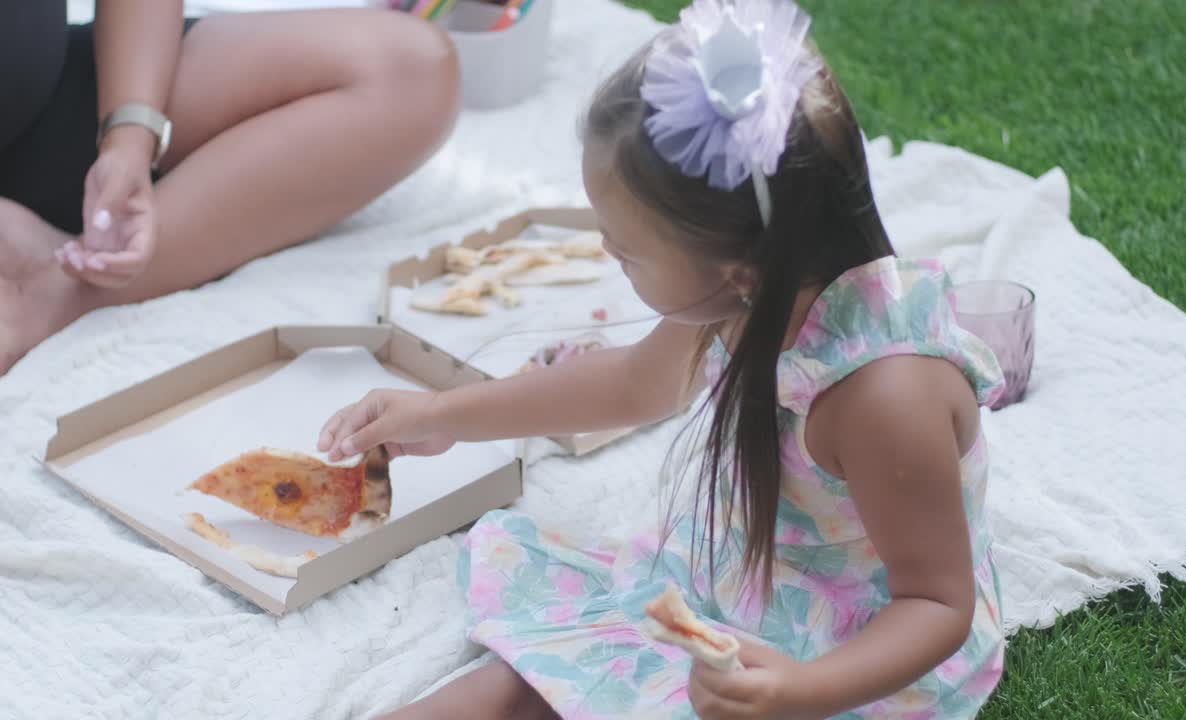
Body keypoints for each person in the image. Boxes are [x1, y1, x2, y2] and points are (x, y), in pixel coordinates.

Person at [319, 0, 1006, 717]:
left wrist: (797, 691)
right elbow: (631, 383)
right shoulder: (747, 291)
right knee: (523, 678)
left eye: (625, 248)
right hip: (745, 583)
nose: (608, 257)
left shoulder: (885, 398)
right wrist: (441, 413)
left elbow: (935, 603)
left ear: (735, 269)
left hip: (855, 655)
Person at [0, 2, 461, 375]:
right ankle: (35, 300)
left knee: (410, 69)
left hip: (39, 94)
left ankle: (46, 295)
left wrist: (129, 138)